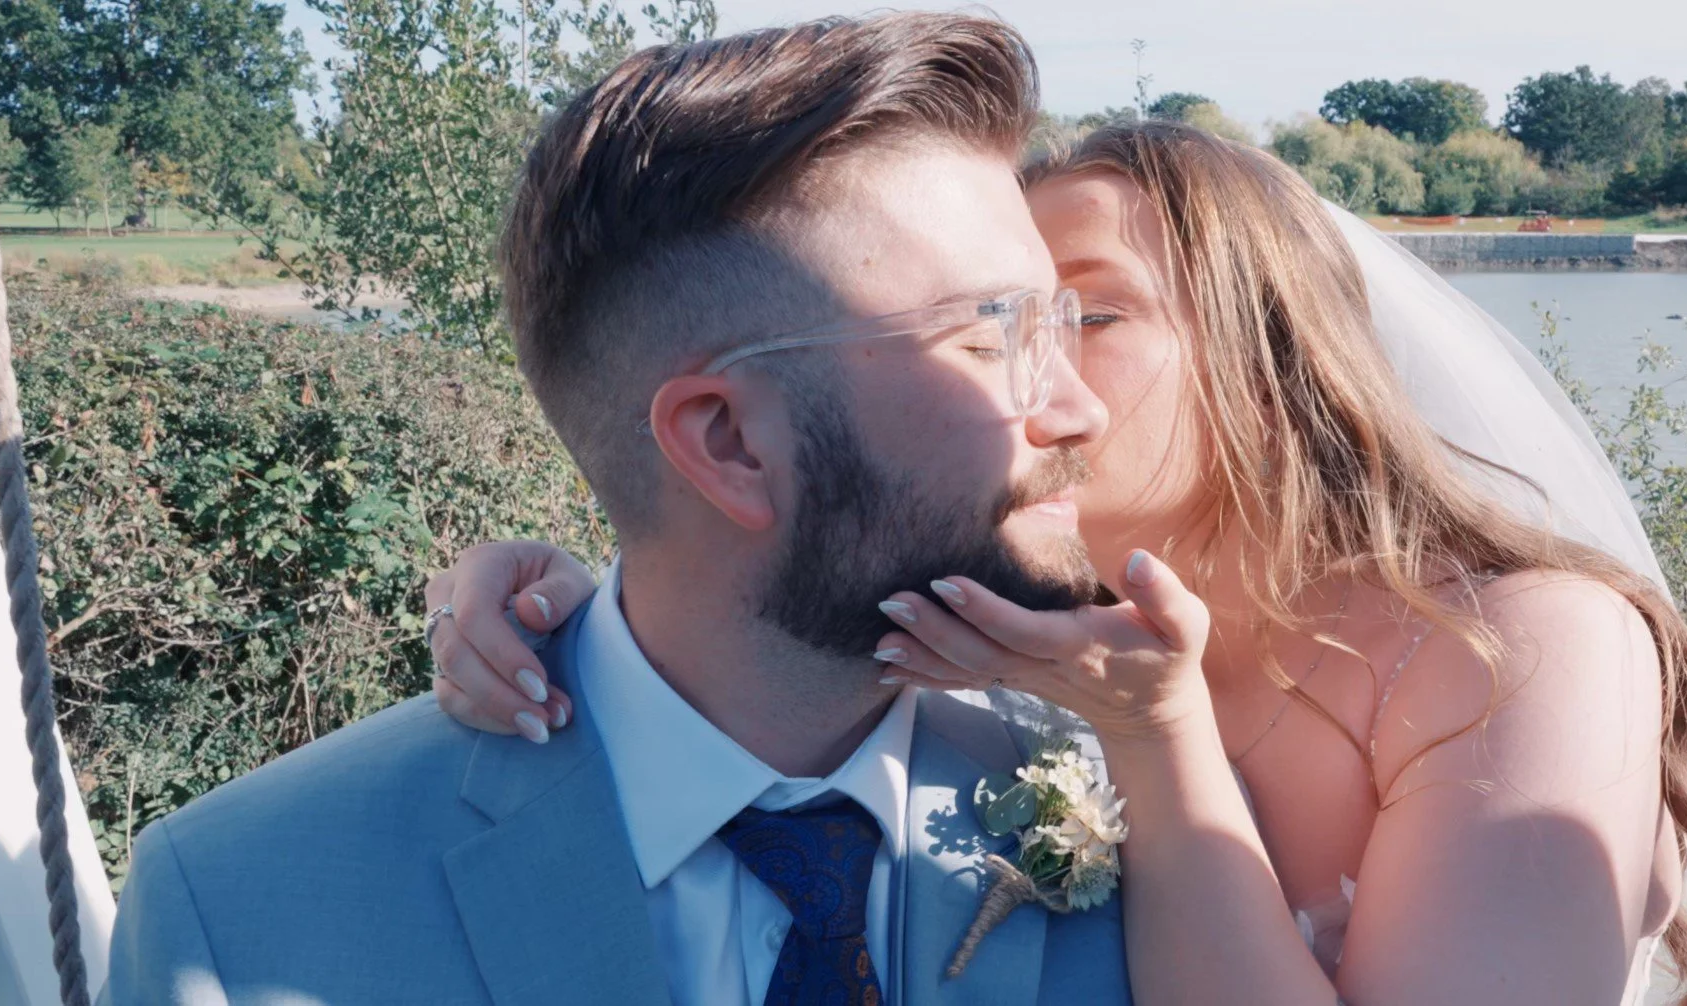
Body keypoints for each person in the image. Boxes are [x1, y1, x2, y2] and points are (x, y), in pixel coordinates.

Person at [426, 123, 1687, 1003]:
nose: (1032, 379)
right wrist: (538, 594)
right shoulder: (1027, 616)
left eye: (1090, 314)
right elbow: (742, 578)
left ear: (1268, 361)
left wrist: (1160, 734)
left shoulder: (1517, 648)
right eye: (997, 320)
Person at [104, 14, 1140, 1005]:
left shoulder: (1163, 796)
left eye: (1060, 324)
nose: (1079, 407)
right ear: (728, 444)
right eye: (987, 337)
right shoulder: (238, 918)